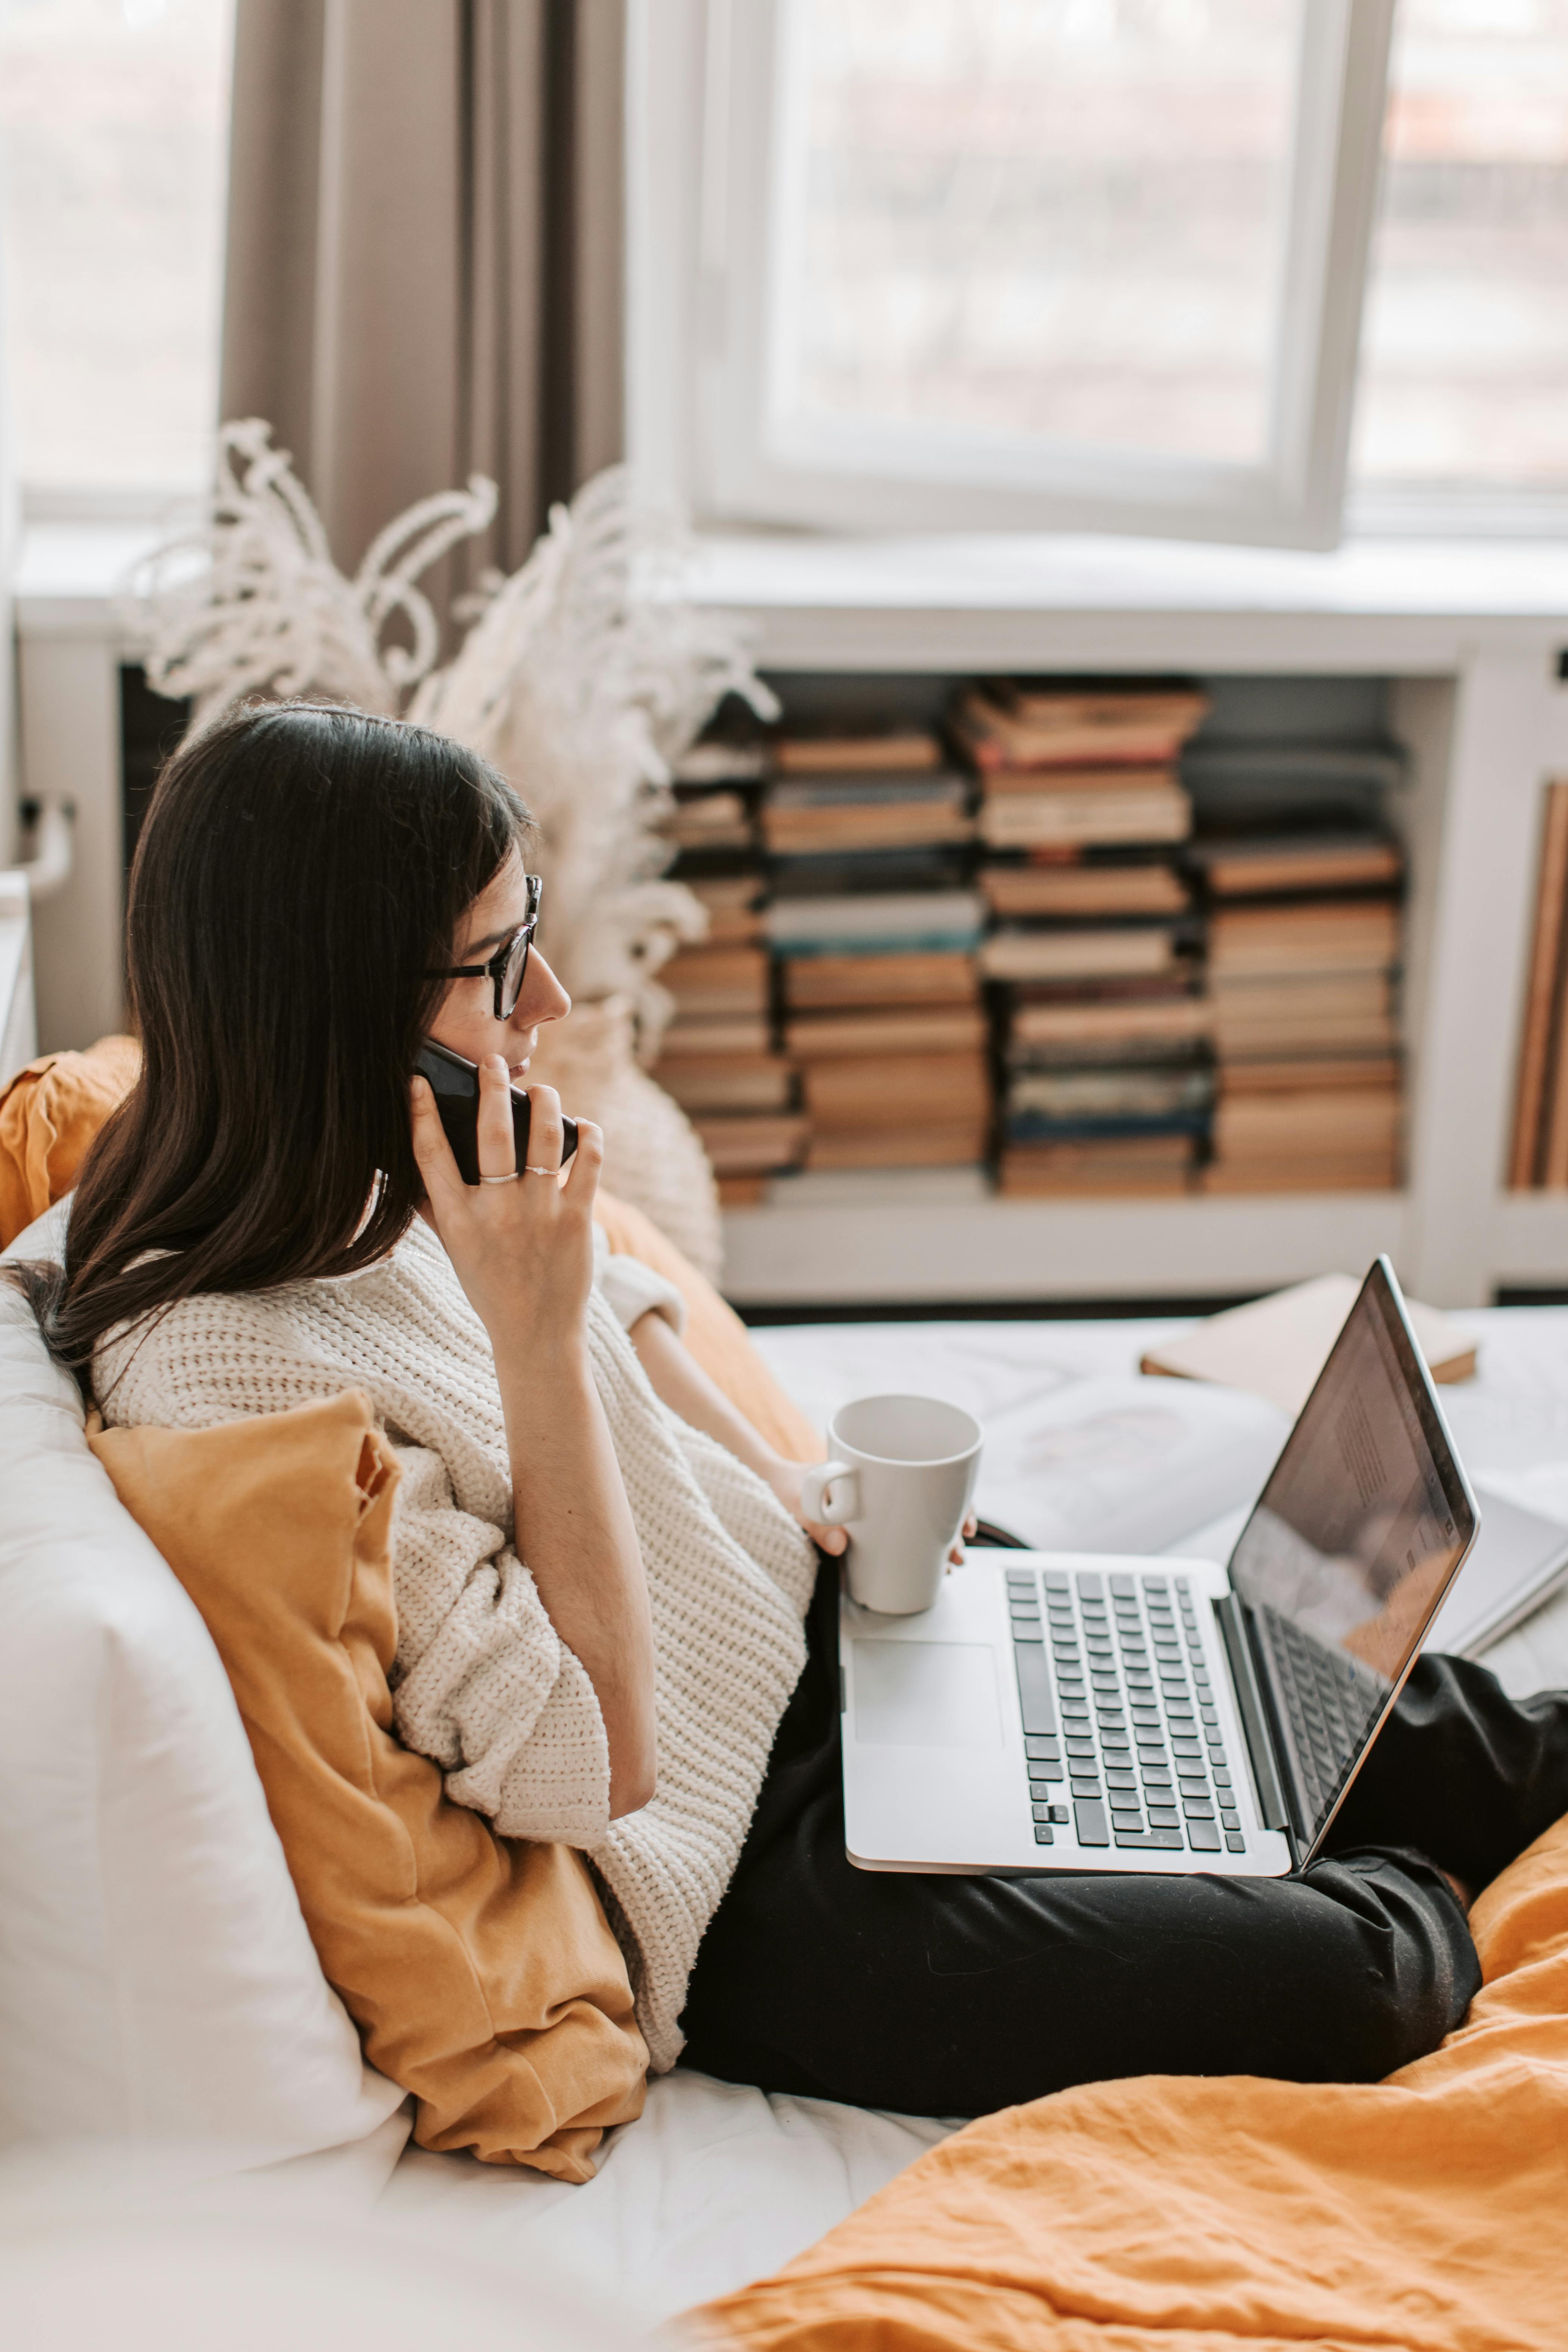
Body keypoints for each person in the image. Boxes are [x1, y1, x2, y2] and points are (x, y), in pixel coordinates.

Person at [15, 700, 1568, 2118]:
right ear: (341, 1006)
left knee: (1340, 1694)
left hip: (823, 1617)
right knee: (1358, 1974)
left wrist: (787, 1477)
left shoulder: (366, 1144)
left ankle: (1261, 1783)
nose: (546, 998)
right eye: (496, 965)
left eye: (529, 933)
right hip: (751, 1866)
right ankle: (1246, 1837)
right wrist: (538, 1341)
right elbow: (587, 1760)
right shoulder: (224, 1372)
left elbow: (629, 1310)